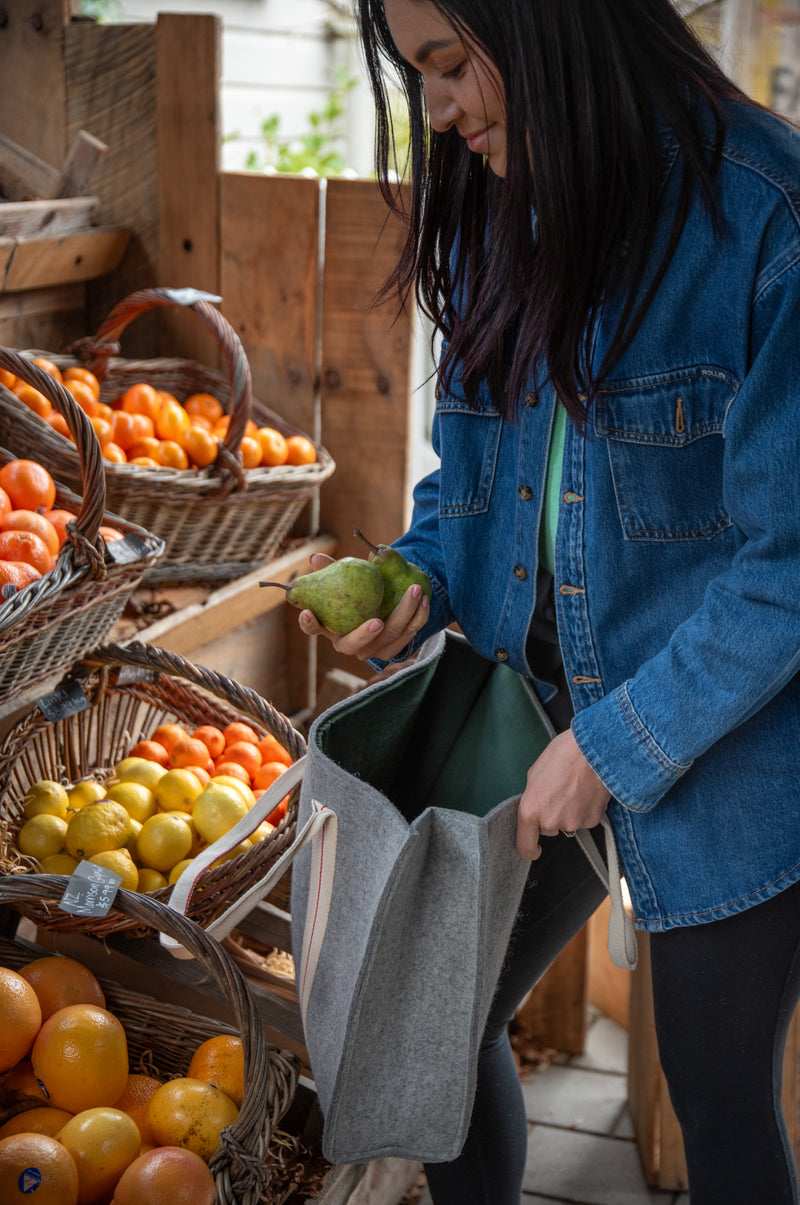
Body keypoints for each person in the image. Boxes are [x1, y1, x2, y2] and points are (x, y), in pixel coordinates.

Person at [296, 1, 800, 1201]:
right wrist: (418, 577)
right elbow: (467, 475)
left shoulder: (766, 214)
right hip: (521, 709)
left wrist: (615, 744)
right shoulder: (491, 204)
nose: (439, 109)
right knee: (438, 1023)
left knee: (717, 1087)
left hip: (726, 729)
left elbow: (786, 566)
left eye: (454, 65)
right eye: (417, 74)